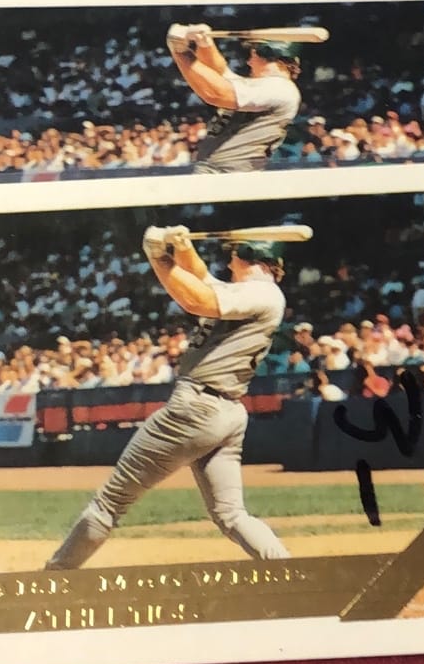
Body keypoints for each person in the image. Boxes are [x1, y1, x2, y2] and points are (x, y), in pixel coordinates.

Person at [47, 230, 291, 567]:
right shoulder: (252, 292)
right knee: (231, 514)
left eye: (234, 254)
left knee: (109, 503)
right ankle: (288, 570)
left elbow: (197, 300)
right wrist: (181, 249)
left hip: (196, 407)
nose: (228, 260)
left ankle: (55, 576)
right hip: (225, 410)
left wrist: (158, 257)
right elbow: (202, 279)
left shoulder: (260, 293)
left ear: (249, 256)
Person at [166, 24, 305, 173]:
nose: (249, 62)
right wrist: (205, 44)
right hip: (221, 171)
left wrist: (181, 51)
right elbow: (219, 74)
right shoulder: (264, 86)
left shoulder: (280, 88)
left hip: (230, 174)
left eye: (254, 56)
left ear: (269, 56)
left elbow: (217, 93)